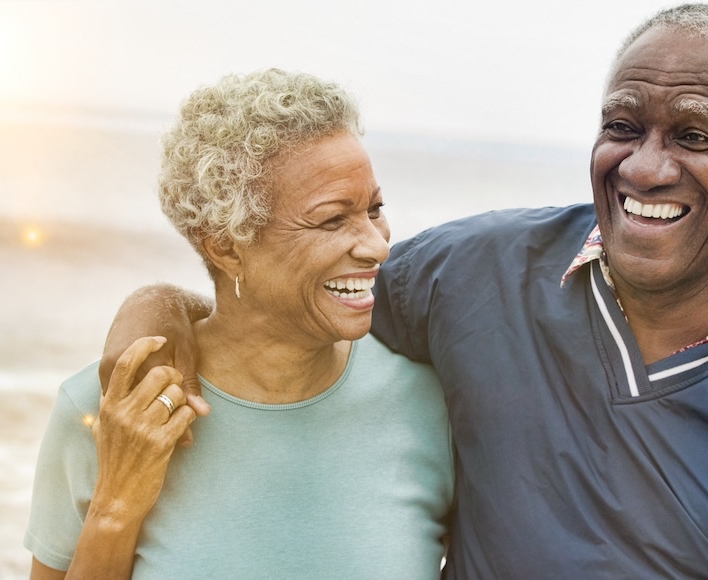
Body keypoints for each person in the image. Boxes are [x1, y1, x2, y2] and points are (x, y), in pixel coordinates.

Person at [102, 4, 708, 577]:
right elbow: (288, 302)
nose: (647, 165)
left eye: (694, 134)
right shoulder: (478, 273)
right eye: (623, 126)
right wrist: (151, 318)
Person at [25, 69, 453, 579]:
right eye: (332, 219)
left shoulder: (431, 404)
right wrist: (115, 508)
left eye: (374, 209)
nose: (377, 245)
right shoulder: (109, 411)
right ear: (226, 245)